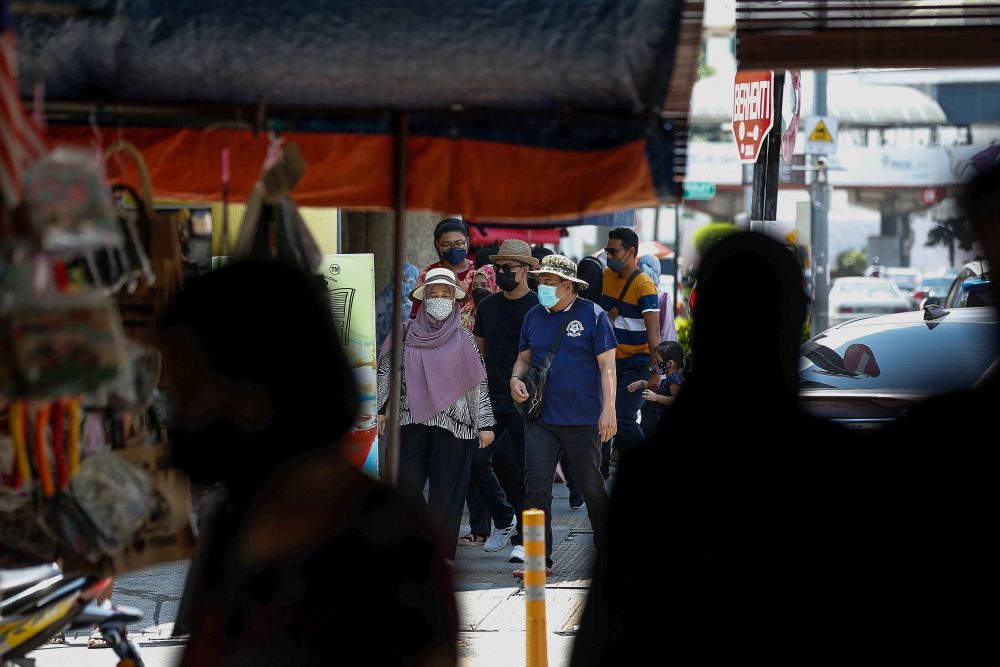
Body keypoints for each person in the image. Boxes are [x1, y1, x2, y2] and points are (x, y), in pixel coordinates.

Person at [573, 233, 867, 665]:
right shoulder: (842, 466)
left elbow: (603, 637)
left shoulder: (652, 475)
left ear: (704, 323)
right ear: (794, 323)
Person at [161, 261, 457, 666]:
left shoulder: (392, 543)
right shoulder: (233, 519)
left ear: (255, 389)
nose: (178, 416)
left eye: (189, 390)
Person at [378, 267, 496, 563]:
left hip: (455, 425)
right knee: (404, 486)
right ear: (424, 298)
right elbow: (385, 370)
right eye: (434, 294)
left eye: (446, 295)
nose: (440, 300)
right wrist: (379, 409)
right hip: (410, 421)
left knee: (447, 492)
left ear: (454, 301)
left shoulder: (464, 339)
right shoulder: (405, 332)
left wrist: (484, 424)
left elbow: (477, 383)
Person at [511, 254, 617, 577]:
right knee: (535, 489)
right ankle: (537, 559)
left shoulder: (594, 315)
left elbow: (607, 367)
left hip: (583, 420)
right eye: (541, 281)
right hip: (541, 419)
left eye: (549, 282)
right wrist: (515, 380)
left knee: (591, 488)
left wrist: (609, 408)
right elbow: (524, 359)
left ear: (568, 286)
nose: (542, 287)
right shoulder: (532, 316)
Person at [468, 239, 540, 563]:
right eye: (498, 267)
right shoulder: (487, 307)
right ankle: (503, 517)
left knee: (521, 469)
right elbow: (478, 354)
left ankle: (525, 540)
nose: (501, 273)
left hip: (526, 399)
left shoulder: (538, 307)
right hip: (491, 396)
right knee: (476, 460)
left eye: (508, 268)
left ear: (524, 270)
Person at [600, 229, 661, 459]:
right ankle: (601, 469)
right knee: (603, 415)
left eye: (613, 251)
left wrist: (657, 372)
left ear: (631, 251)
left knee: (623, 416)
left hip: (637, 362)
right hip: (609, 361)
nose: (609, 256)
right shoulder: (606, 276)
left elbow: (654, 333)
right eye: (607, 250)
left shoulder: (644, 286)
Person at [412, 218, 495, 330]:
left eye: (459, 243)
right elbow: (419, 315)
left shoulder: (480, 271)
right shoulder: (429, 274)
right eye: (446, 244)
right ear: (438, 245)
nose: (453, 249)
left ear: (467, 242)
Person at [627, 340, 683, 437]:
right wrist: (642, 383)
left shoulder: (675, 378)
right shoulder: (669, 378)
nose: (656, 365)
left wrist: (656, 398)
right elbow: (660, 390)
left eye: (658, 362)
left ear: (670, 363)